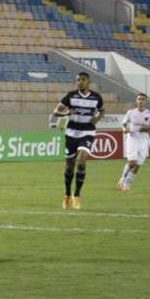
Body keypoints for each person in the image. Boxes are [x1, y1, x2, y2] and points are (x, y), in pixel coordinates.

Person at [50, 71, 103, 210]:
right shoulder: (70, 96)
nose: (80, 81)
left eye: (83, 79)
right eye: (78, 79)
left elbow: (102, 110)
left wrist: (97, 118)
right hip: (71, 133)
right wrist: (66, 113)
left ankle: (77, 196)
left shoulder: (96, 97)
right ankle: (67, 194)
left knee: (82, 159)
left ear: (88, 81)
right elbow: (56, 111)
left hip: (88, 131)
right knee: (69, 165)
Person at [118, 93, 150, 192]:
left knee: (138, 164)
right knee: (132, 163)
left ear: (146, 101)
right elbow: (123, 124)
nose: (141, 101)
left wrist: (145, 127)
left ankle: (127, 185)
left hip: (144, 141)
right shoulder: (130, 112)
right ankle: (123, 179)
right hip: (132, 139)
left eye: (143, 99)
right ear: (136, 101)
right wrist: (125, 129)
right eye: (139, 99)